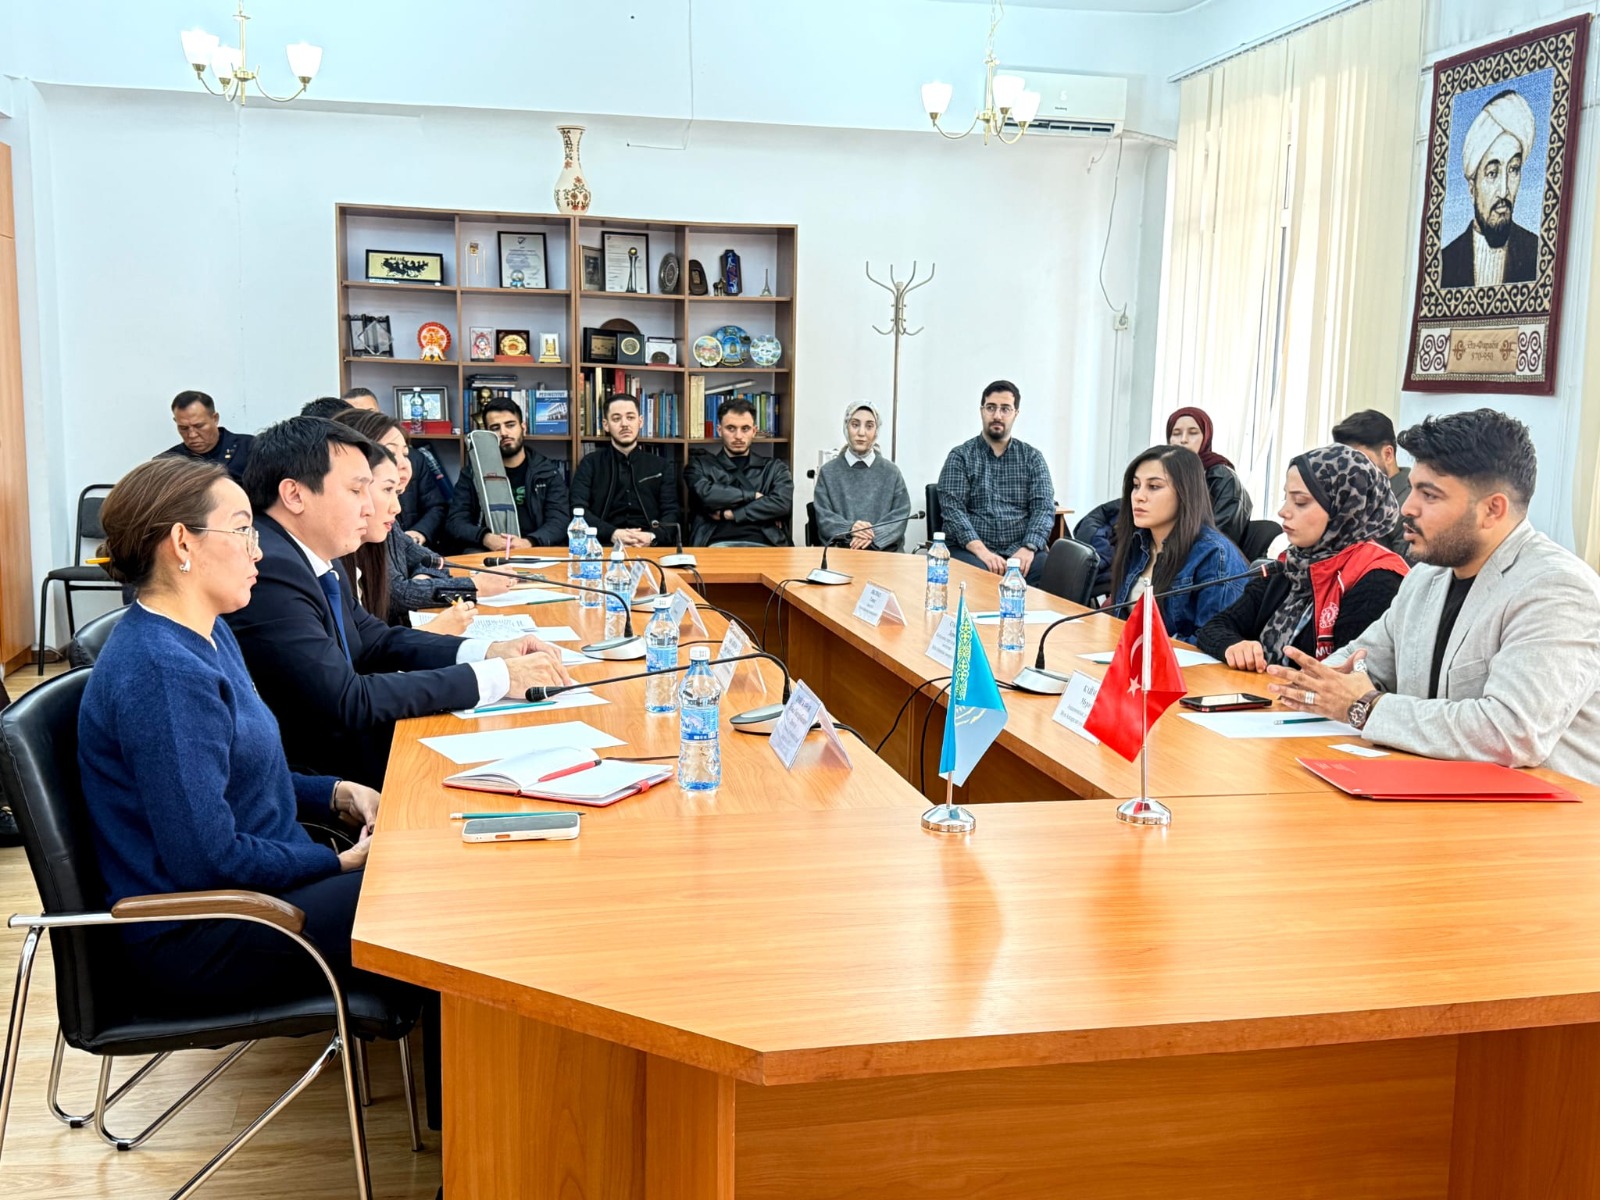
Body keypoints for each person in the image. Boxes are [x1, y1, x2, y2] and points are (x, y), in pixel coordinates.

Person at [78, 455, 405, 1014]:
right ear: (182, 542)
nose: (258, 551)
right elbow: (208, 858)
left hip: (260, 896)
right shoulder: (163, 671)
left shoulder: (209, 632)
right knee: (427, 897)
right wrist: (339, 864)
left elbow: (235, 774)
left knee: (429, 867)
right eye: (242, 530)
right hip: (207, 930)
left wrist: (335, 793)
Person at [224, 417, 572, 788]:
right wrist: (499, 677)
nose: (369, 507)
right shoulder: (271, 569)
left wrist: (491, 652)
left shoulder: (314, 555)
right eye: (356, 490)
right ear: (294, 495)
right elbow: (346, 700)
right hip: (330, 781)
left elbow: (375, 639)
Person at [1266, 409, 1600, 784]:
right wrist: (1316, 684)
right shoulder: (1426, 577)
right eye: (1413, 489)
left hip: (1537, 809)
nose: (1407, 508)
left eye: (1429, 495)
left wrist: (1367, 706)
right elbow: (1361, 662)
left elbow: (1510, 732)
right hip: (1432, 788)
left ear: (1492, 510)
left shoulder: (1557, 589)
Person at [1196, 445, 1408, 669]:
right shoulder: (1292, 564)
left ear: (1345, 508)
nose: (1283, 512)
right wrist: (1233, 646)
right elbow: (1215, 627)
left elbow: (1343, 673)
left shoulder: (1378, 579)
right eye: (1285, 498)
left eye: (1300, 502)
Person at [333, 409, 510, 632]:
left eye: (406, 453)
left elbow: (433, 561)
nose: (404, 464)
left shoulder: (385, 518)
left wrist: (421, 579)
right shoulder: (349, 538)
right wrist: (473, 586)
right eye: (390, 452)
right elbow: (397, 595)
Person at [1108, 445, 1249, 640]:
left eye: (1154, 486)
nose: (1139, 496)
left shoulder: (1215, 554)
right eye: (1136, 485)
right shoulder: (1138, 541)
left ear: (1185, 493)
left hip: (1178, 659)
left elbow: (1211, 641)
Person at [936, 380, 1054, 585]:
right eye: (991, 408)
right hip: (970, 551)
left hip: (1021, 550)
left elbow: (1043, 508)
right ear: (982, 411)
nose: (997, 415)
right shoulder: (960, 457)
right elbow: (953, 512)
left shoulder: (1032, 458)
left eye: (1005, 409)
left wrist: (1029, 547)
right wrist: (982, 552)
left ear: (1016, 413)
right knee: (978, 576)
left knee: (1051, 571)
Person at [1441, 89, 1539, 289]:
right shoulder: (1447, 262)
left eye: (1513, 169)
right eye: (1492, 173)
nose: (1504, 191)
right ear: (1472, 189)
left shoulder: (1536, 252)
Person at [446, 398, 570, 552]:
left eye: (510, 425)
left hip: (535, 549)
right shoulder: (472, 473)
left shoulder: (547, 471)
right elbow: (455, 522)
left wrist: (529, 542)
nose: (504, 433)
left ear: (523, 427)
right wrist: (485, 538)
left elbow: (559, 520)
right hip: (486, 552)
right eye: (495, 428)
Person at [568, 393, 680, 546]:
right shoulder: (590, 464)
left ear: (640, 421)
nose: (624, 424)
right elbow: (578, 509)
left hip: (651, 546)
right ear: (606, 425)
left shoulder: (661, 465)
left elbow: (671, 512)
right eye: (616, 419)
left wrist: (652, 536)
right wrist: (612, 534)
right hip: (602, 545)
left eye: (630, 417)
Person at [684, 397, 794, 546]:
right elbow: (706, 495)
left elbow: (782, 504)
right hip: (715, 544)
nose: (738, 436)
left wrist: (729, 514)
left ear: (754, 431)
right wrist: (753, 496)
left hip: (765, 544)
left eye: (745, 429)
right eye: (731, 428)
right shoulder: (700, 465)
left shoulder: (774, 468)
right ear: (719, 430)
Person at [811, 401, 911, 551]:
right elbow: (824, 518)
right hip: (842, 553)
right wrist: (850, 529)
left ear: (876, 431)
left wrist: (872, 537)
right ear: (846, 427)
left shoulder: (892, 472)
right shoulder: (828, 472)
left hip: (884, 553)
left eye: (869, 426)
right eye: (855, 424)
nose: (861, 433)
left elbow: (900, 517)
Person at [1165, 407, 1252, 546]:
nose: (1183, 440)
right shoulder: (1162, 474)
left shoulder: (1222, 478)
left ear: (1206, 437)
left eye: (1193, 433)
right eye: (1176, 433)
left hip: (1206, 553)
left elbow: (1219, 536)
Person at [1332, 408, 1411, 556]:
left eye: (1359, 461)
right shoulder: (1346, 497)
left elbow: (1404, 568)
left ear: (1388, 454)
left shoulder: (1409, 505)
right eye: (1344, 462)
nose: (1350, 470)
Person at [159, 390, 254, 482]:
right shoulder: (165, 464)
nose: (192, 435)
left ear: (215, 418)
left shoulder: (250, 448)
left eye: (199, 426)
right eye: (184, 428)